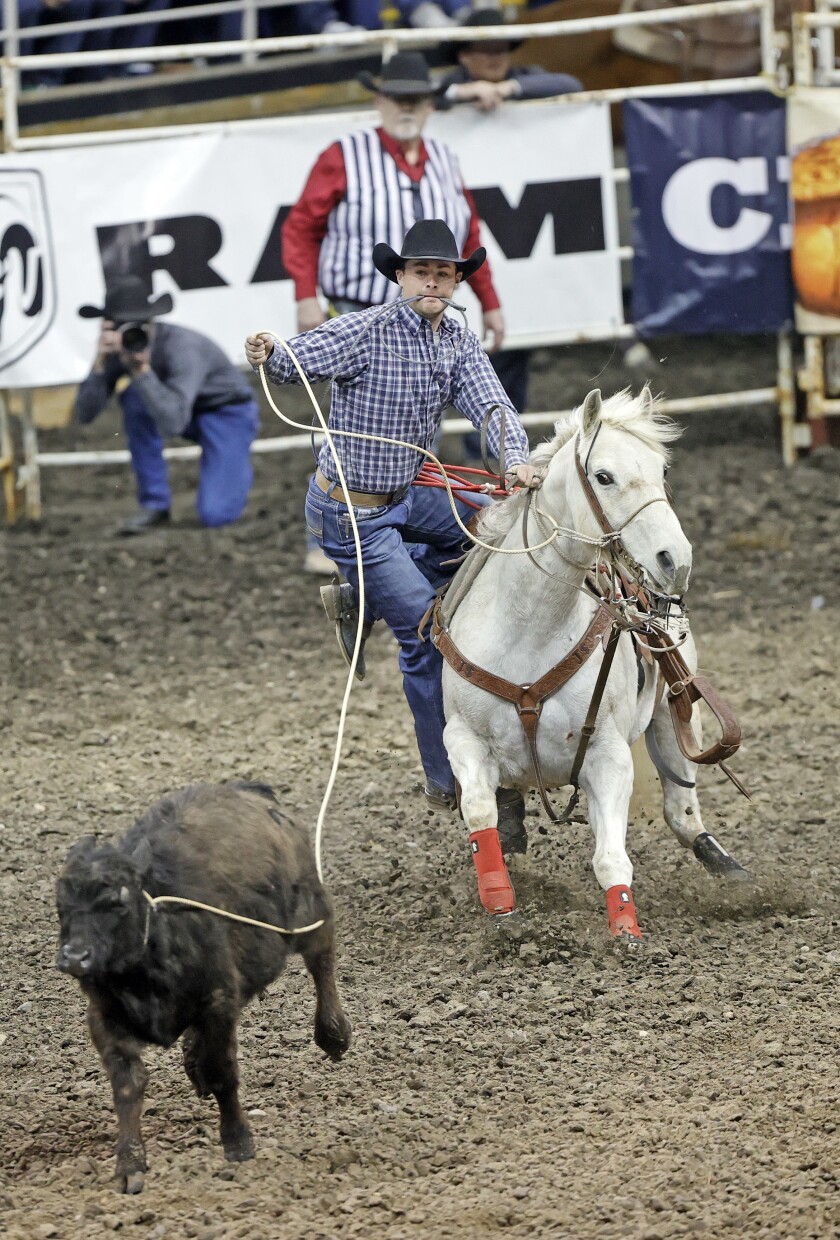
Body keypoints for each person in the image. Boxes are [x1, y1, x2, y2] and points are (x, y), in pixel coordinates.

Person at [246, 219, 539, 912]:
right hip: (354, 514)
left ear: (457, 281)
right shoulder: (367, 329)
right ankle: (446, 776)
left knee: (499, 522)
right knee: (428, 637)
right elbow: (295, 360)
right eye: (421, 271)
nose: (433, 282)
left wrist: (516, 459)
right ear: (400, 276)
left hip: (409, 493)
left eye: (444, 273)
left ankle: (378, 592)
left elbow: (491, 404)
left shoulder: (456, 337)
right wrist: (267, 349)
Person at [281, 49, 508, 573]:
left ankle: (403, 538)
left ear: (430, 105)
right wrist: (305, 294)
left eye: (416, 98)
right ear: (380, 101)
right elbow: (302, 226)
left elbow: (468, 236)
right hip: (358, 312)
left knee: (421, 429)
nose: (407, 106)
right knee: (349, 430)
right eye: (397, 97)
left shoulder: (445, 159)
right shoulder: (343, 155)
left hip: (426, 317)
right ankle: (332, 534)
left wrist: (490, 301)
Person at [437, 7, 583, 424]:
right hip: (475, 236)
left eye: (500, 49)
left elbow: (571, 85)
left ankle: (498, 444)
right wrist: (465, 93)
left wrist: (509, 89)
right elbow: (423, 95)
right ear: (464, 56)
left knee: (512, 349)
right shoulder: (447, 86)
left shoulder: (525, 76)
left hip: (509, 234)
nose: (495, 57)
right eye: (485, 50)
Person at [75, 275, 260, 535]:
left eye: (137, 325)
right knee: (134, 398)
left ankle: (231, 464)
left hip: (226, 413)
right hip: (180, 409)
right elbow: (84, 414)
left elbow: (174, 423)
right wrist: (100, 362)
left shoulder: (184, 347)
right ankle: (155, 504)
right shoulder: (119, 349)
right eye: (120, 325)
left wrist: (141, 372)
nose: (131, 333)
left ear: (152, 321)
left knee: (216, 515)